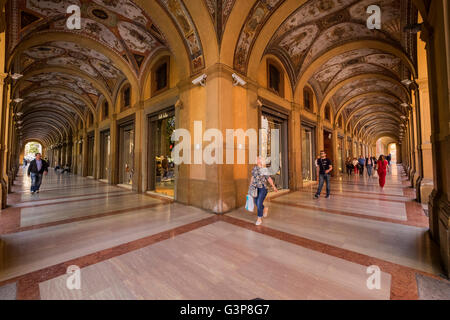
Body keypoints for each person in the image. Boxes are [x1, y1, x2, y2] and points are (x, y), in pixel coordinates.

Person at [250, 156, 278, 226]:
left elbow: (269, 179)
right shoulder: (254, 168)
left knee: (259, 202)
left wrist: (273, 186)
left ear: (261, 160)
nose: (256, 160)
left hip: (263, 188)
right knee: (256, 202)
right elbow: (252, 177)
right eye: (256, 159)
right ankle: (265, 208)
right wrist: (250, 187)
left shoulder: (264, 169)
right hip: (255, 188)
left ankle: (259, 218)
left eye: (258, 159)